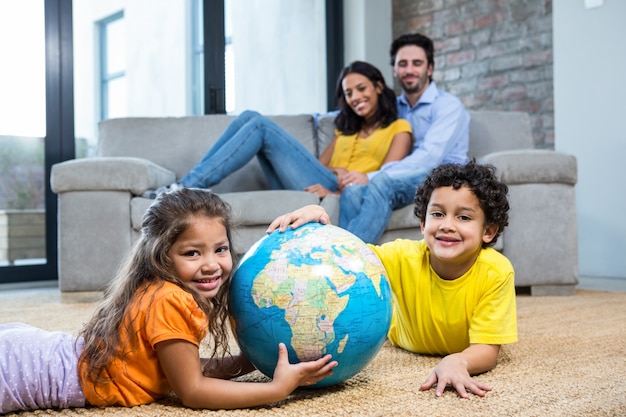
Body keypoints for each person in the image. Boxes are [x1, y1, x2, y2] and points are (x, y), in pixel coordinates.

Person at [0, 188, 338, 413]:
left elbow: (179, 370)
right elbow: (192, 390)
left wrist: (245, 362)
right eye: (192, 252)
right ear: (162, 255)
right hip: (29, 369)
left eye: (220, 249)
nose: (211, 263)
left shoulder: (161, 288)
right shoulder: (170, 300)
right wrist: (276, 391)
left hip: (33, 351)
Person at [268, 160, 518, 399]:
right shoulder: (403, 255)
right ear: (422, 223)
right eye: (438, 214)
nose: (447, 225)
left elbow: (487, 350)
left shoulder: (496, 271)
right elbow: (348, 256)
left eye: (463, 217)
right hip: (398, 336)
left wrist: (458, 360)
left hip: (463, 345)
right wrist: (320, 218)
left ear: (488, 231)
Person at [143, 61, 412, 200]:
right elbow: (321, 166)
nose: (355, 98)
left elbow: (386, 182)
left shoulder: (400, 129)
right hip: (320, 180)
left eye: (361, 89)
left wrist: (337, 192)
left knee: (259, 125)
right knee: (249, 116)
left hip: (346, 192)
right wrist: (337, 171)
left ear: (378, 86)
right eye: (348, 93)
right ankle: (186, 188)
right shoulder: (345, 130)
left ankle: (185, 188)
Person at [338, 33, 470, 244]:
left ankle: (346, 259)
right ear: (394, 70)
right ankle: (349, 266)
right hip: (405, 179)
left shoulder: (448, 106)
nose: (409, 70)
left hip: (444, 177)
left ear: (429, 68)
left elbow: (429, 159)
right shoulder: (393, 108)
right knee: (352, 193)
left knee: (382, 183)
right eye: (403, 64)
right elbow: (348, 113)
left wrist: (371, 176)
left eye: (416, 63)